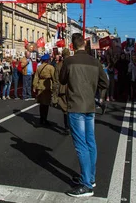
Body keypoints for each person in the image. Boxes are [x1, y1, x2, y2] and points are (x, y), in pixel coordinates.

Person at [59, 33, 109, 198]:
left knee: (81, 145)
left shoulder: (69, 61)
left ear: (72, 46)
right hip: (90, 105)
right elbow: (105, 82)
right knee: (90, 142)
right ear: (85, 45)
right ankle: (90, 177)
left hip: (76, 105)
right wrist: (99, 97)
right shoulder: (95, 62)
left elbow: (62, 79)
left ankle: (86, 185)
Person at [52, 48, 71, 134]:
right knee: (73, 108)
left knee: (65, 109)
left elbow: (56, 81)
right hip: (72, 89)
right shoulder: (73, 64)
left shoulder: (58, 65)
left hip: (62, 89)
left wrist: (54, 95)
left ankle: (67, 127)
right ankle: (72, 126)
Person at [33, 53, 55, 125]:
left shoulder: (39, 67)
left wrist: (34, 86)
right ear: (48, 60)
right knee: (46, 104)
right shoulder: (51, 67)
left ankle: (41, 118)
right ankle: (45, 119)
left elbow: (36, 77)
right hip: (47, 86)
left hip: (40, 85)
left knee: (41, 103)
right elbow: (54, 77)